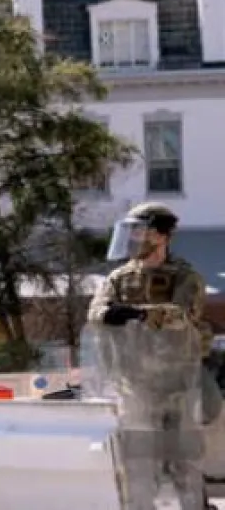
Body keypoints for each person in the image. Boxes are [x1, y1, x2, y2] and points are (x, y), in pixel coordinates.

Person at [89, 202, 218, 508]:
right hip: (136, 385)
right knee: (139, 467)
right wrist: (112, 314)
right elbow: (96, 313)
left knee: (185, 463)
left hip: (178, 384)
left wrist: (135, 313)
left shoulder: (185, 277)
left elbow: (182, 315)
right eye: (131, 229)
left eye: (140, 229)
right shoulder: (119, 278)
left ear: (162, 235)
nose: (134, 236)